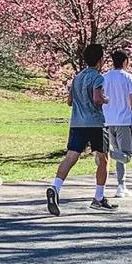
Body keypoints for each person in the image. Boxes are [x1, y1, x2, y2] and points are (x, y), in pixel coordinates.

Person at [48, 44, 115, 215]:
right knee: (103, 158)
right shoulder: (98, 77)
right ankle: (99, 197)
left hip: (77, 123)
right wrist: (106, 100)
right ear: (100, 60)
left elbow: (69, 101)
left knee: (71, 157)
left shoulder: (77, 77)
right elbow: (97, 98)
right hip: (95, 123)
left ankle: (55, 187)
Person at [101, 49, 132, 199]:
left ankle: (121, 186)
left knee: (119, 153)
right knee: (127, 155)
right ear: (125, 61)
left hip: (108, 120)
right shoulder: (129, 78)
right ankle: (103, 152)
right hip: (124, 120)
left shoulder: (104, 78)